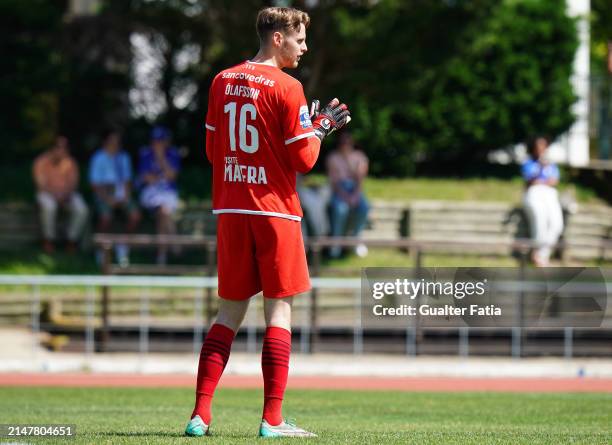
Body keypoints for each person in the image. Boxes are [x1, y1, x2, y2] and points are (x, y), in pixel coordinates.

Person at [185, 6, 350, 438]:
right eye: (299, 39)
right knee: (279, 311)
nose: (305, 46)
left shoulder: (222, 80)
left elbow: (211, 149)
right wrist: (320, 128)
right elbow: (305, 159)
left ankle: (200, 415)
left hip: (231, 209)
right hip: (275, 210)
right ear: (277, 38)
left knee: (227, 314)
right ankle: (271, 420)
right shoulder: (289, 86)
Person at [89, 130, 141, 266]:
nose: (115, 144)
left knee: (135, 215)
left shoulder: (124, 157)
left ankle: (122, 248)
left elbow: (128, 181)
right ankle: (101, 250)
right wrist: (108, 199)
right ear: (105, 142)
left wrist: (125, 196)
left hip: (122, 195)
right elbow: (95, 184)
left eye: (117, 141)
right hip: (104, 195)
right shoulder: (98, 158)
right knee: (105, 217)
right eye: (112, 141)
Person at [32, 136, 89, 253]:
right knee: (49, 206)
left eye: (65, 148)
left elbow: (73, 184)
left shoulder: (71, 163)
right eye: (59, 147)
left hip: (67, 195)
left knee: (82, 209)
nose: (62, 150)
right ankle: (48, 240)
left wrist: (64, 195)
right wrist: (56, 195)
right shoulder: (40, 161)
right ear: (52, 148)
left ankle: (72, 240)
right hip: (47, 193)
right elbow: (41, 185)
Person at [137, 126, 181, 264]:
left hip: (168, 193)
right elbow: (146, 178)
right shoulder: (145, 154)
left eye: (161, 141)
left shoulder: (173, 154)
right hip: (150, 192)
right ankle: (175, 246)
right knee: (164, 210)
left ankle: (162, 256)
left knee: (163, 213)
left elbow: (172, 176)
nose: (157, 144)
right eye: (155, 141)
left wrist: (161, 159)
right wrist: (159, 177)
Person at [521, 136, 564, 267]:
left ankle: (541, 254)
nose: (541, 149)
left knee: (557, 224)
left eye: (543, 146)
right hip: (534, 193)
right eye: (538, 146)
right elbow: (530, 180)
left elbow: (554, 181)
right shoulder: (528, 163)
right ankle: (539, 257)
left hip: (549, 194)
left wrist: (542, 178)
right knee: (540, 221)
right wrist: (540, 168)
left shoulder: (551, 165)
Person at [326, 132, 370, 258]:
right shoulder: (332, 157)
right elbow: (334, 182)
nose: (345, 145)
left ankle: (357, 239)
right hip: (339, 190)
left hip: (355, 189)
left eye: (348, 143)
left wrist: (355, 195)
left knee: (364, 207)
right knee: (340, 210)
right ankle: (336, 242)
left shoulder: (359, 157)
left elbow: (360, 178)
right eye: (343, 143)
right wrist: (345, 197)